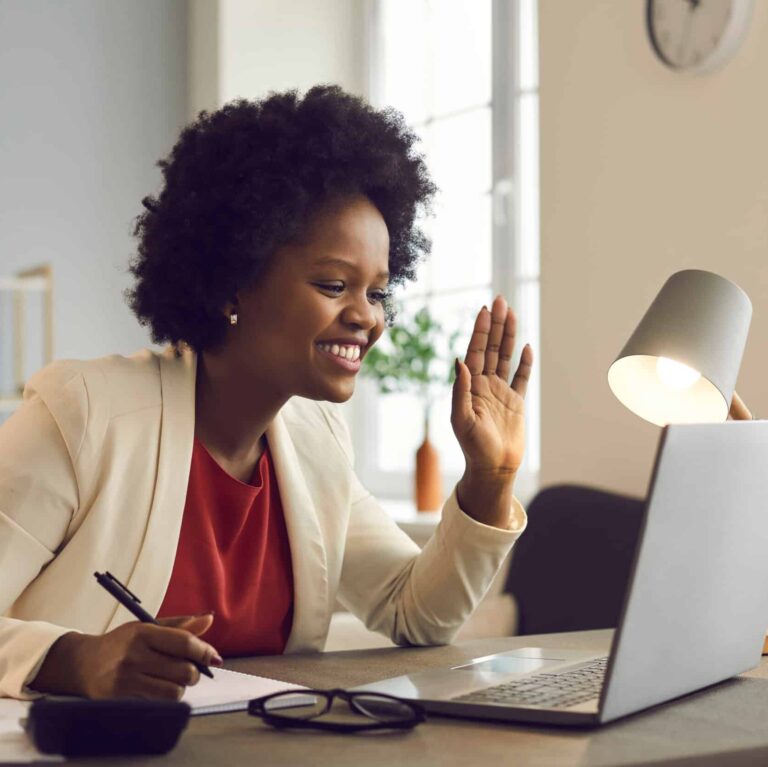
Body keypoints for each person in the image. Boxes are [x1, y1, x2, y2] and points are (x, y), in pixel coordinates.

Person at [0, 86, 533, 701]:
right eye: (333, 284)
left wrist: (490, 478)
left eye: (378, 292)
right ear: (232, 284)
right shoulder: (84, 415)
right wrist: (76, 661)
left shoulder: (314, 441)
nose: (367, 317)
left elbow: (415, 613)